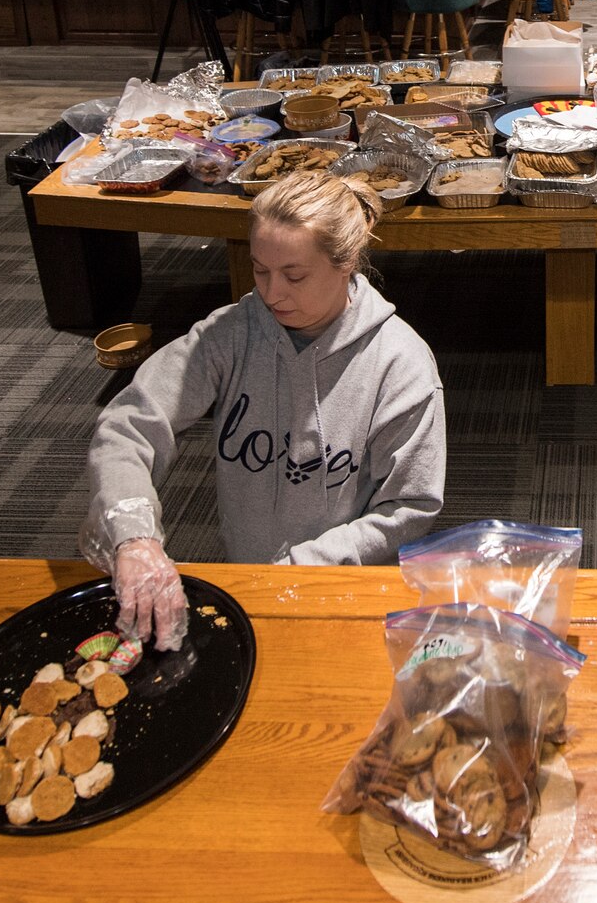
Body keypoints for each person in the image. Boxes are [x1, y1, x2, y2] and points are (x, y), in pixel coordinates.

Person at [79, 170, 446, 649]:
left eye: (294, 275)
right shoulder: (233, 333)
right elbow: (129, 427)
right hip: (246, 579)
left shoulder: (401, 365)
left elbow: (410, 507)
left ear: (346, 263)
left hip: (344, 594)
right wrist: (133, 534)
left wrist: (295, 572)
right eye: (259, 270)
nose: (271, 294)